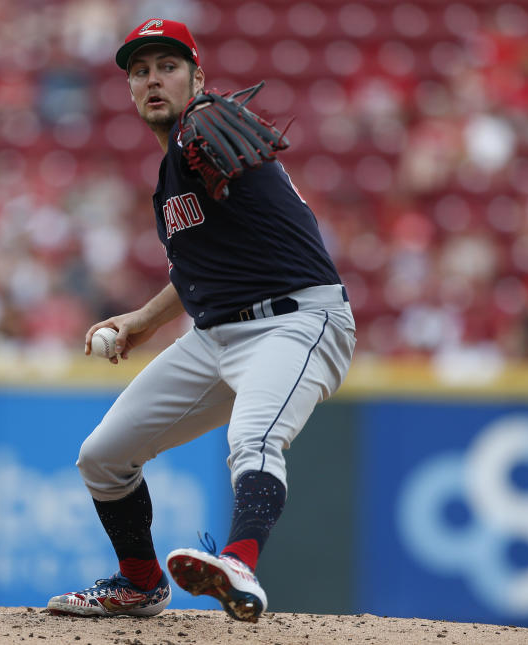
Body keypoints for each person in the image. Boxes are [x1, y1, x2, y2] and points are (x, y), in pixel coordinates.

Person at [46, 18, 356, 623]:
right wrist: (140, 319)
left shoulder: (204, 129)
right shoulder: (169, 182)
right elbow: (197, 270)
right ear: (130, 90)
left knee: (255, 439)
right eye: (140, 72)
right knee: (102, 457)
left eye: (167, 67)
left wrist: (203, 120)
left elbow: (226, 149)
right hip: (216, 333)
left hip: (296, 320)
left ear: (198, 78)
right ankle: (139, 584)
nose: (152, 79)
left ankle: (240, 562)